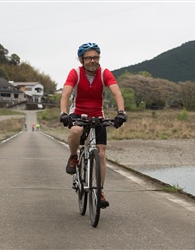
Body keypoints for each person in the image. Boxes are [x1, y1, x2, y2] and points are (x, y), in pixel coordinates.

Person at [59, 42, 127, 208]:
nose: (93, 60)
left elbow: (117, 93)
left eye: (95, 57)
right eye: (89, 57)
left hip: (98, 116)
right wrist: (63, 113)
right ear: (82, 59)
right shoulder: (75, 72)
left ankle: (99, 190)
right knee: (75, 130)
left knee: (101, 154)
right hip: (78, 113)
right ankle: (74, 157)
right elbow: (66, 94)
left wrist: (121, 112)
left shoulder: (104, 73)